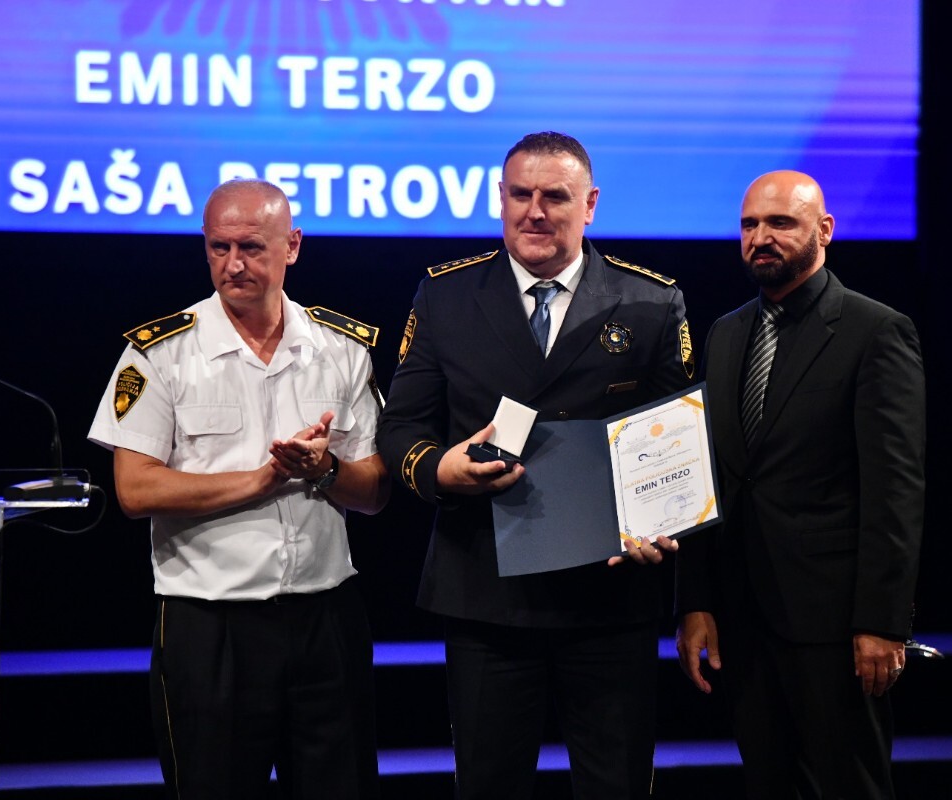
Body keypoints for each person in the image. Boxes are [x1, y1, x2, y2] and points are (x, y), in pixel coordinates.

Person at [377, 131, 695, 799]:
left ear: (590, 205)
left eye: (556, 196)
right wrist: (439, 471)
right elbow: (401, 427)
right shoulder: (446, 296)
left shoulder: (652, 303)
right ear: (500, 199)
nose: (536, 211)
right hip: (486, 596)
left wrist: (662, 520)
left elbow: (680, 445)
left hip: (611, 600)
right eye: (520, 195)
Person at [87, 178, 389, 800]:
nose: (233, 264)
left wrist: (324, 470)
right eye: (218, 247)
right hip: (209, 626)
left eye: (251, 246)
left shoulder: (342, 349)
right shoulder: (158, 354)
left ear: (293, 246)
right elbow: (135, 490)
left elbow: (375, 492)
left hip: (324, 618)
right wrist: (261, 479)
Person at [675, 170, 925, 798]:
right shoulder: (727, 333)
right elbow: (712, 477)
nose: (761, 237)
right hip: (744, 621)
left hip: (837, 627)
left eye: (780, 223)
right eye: (750, 225)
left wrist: (882, 621)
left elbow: (895, 491)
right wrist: (696, 601)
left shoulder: (877, 332)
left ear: (825, 230)